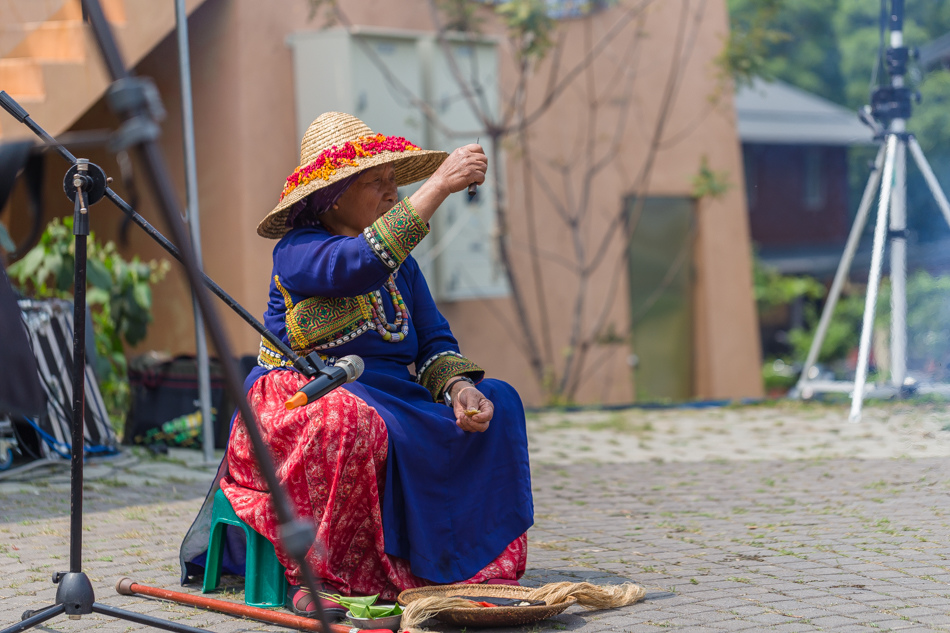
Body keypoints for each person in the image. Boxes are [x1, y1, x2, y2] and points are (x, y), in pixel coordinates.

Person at [197, 112, 534, 618]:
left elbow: (435, 343)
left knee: (501, 401)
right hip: (303, 398)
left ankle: (464, 568)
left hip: (394, 399)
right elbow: (359, 264)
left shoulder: (406, 268)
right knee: (350, 421)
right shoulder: (298, 251)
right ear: (333, 196)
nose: (392, 193)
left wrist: (460, 389)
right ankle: (323, 577)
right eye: (377, 182)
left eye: (395, 182)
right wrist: (439, 185)